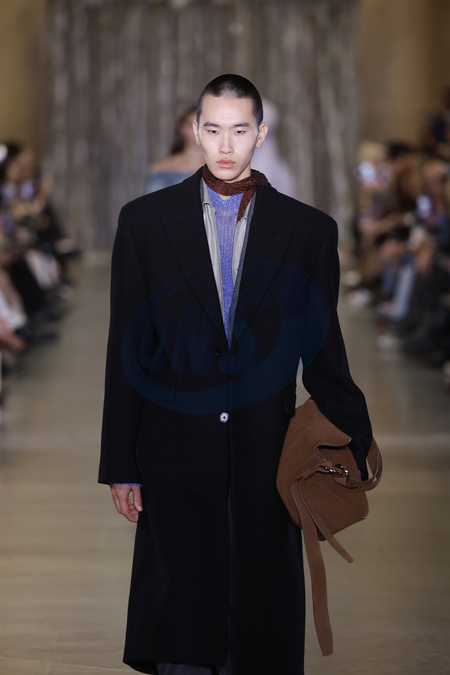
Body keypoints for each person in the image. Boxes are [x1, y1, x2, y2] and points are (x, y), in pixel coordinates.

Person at [99, 74, 373, 675]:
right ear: (196, 131)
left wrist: (356, 442)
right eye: (214, 130)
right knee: (180, 612)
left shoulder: (308, 231)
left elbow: (324, 353)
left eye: (240, 130)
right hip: (173, 446)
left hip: (266, 451)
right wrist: (121, 463)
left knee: (260, 611)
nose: (226, 146)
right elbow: (128, 350)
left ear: (261, 134)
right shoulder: (145, 222)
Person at [146, 105, 204, 193]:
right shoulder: (161, 169)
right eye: (191, 126)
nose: (197, 131)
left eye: (203, 125)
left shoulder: (221, 170)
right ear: (182, 128)